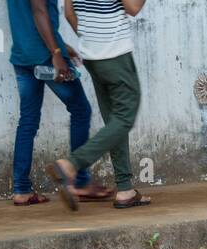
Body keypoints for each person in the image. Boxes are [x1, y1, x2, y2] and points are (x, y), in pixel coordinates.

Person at [7, 0, 114, 206]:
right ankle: (81, 181)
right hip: (45, 56)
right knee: (81, 110)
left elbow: (29, 18)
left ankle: (21, 190)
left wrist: (62, 46)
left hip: (23, 57)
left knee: (27, 121)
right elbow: (39, 11)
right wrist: (57, 53)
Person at [46, 0, 150, 211]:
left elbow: (69, 13)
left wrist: (91, 40)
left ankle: (125, 189)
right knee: (124, 118)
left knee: (115, 121)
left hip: (92, 56)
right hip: (115, 55)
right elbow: (133, 7)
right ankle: (71, 164)